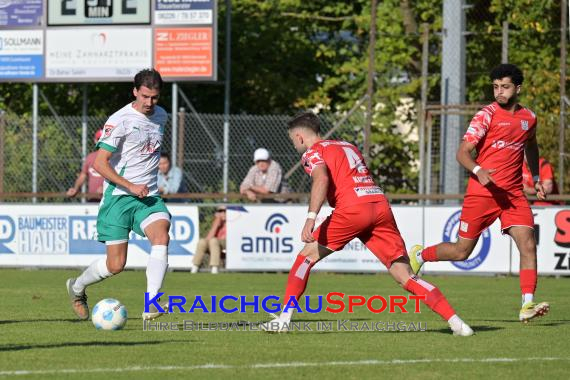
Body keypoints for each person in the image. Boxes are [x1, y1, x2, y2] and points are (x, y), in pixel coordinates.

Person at [261, 112, 473, 336]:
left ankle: (283, 320)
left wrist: (311, 217)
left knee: (305, 258)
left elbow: (321, 179)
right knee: (404, 275)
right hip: (378, 205)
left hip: (352, 209)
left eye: (293, 140)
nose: (294, 144)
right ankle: (457, 323)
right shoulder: (348, 145)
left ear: (299, 137)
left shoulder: (313, 152)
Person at [409, 64, 550, 323]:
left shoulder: (529, 118)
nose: (499, 92)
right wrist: (478, 169)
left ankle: (526, 305)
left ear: (517, 88)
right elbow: (462, 153)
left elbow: (531, 145)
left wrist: (538, 177)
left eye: (505, 87)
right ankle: (420, 255)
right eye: (496, 86)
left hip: (513, 195)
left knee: (528, 244)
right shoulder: (486, 115)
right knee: (462, 252)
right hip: (482, 193)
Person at [66, 69, 171, 321]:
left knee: (161, 236)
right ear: (135, 91)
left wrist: (142, 187)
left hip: (148, 197)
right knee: (115, 265)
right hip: (119, 198)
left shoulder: (162, 116)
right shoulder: (120, 119)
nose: (149, 103)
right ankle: (77, 287)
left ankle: (151, 303)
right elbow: (100, 164)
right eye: (145, 96)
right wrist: (130, 185)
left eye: (154, 97)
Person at [66, 129, 105, 202]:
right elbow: (83, 175)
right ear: (95, 141)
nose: (101, 142)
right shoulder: (90, 157)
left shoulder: (113, 158)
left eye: (104, 139)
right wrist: (76, 189)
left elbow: (119, 177)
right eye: (99, 139)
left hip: (108, 200)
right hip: (93, 199)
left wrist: (105, 188)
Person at [191, 206, 226, 274]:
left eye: (225, 211)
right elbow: (208, 238)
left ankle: (214, 268)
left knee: (213, 241)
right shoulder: (217, 221)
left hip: (226, 243)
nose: (223, 213)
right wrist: (217, 223)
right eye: (220, 211)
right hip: (214, 243)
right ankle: (195, 266)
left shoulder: (232, 221)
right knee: (202, 242)